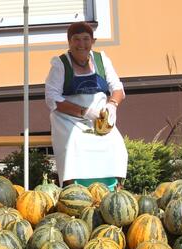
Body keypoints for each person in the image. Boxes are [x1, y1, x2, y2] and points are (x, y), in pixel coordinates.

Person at [44, 21, 128, 188]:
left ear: (92, 41)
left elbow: (118, 88)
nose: (81, 44)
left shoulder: (102, 60)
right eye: (76, 39)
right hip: (69, 120)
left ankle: (112, 189)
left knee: (115, 143)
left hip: (100, 118)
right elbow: (51, 97)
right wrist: (84, 111)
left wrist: (112, 105)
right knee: (76, 143)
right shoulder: (60, 64)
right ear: (69, 42)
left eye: (85, 39)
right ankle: (74, 188)